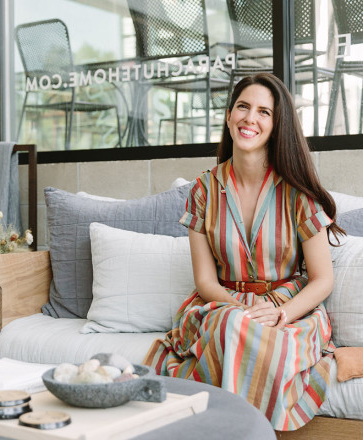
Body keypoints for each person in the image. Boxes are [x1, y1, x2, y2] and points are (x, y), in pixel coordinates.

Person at [143, 73, 345, 431]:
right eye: (243, 107)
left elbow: (322, 279)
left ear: (276, 124)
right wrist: (242, 307)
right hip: (223, 302)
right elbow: (205, 281)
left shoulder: (298, 194)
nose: (250, 118)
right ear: (228, 116)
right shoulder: (203, 191)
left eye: (264, 112)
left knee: (259, 338)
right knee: (231, 326)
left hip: (289, 309)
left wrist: (280, 313)